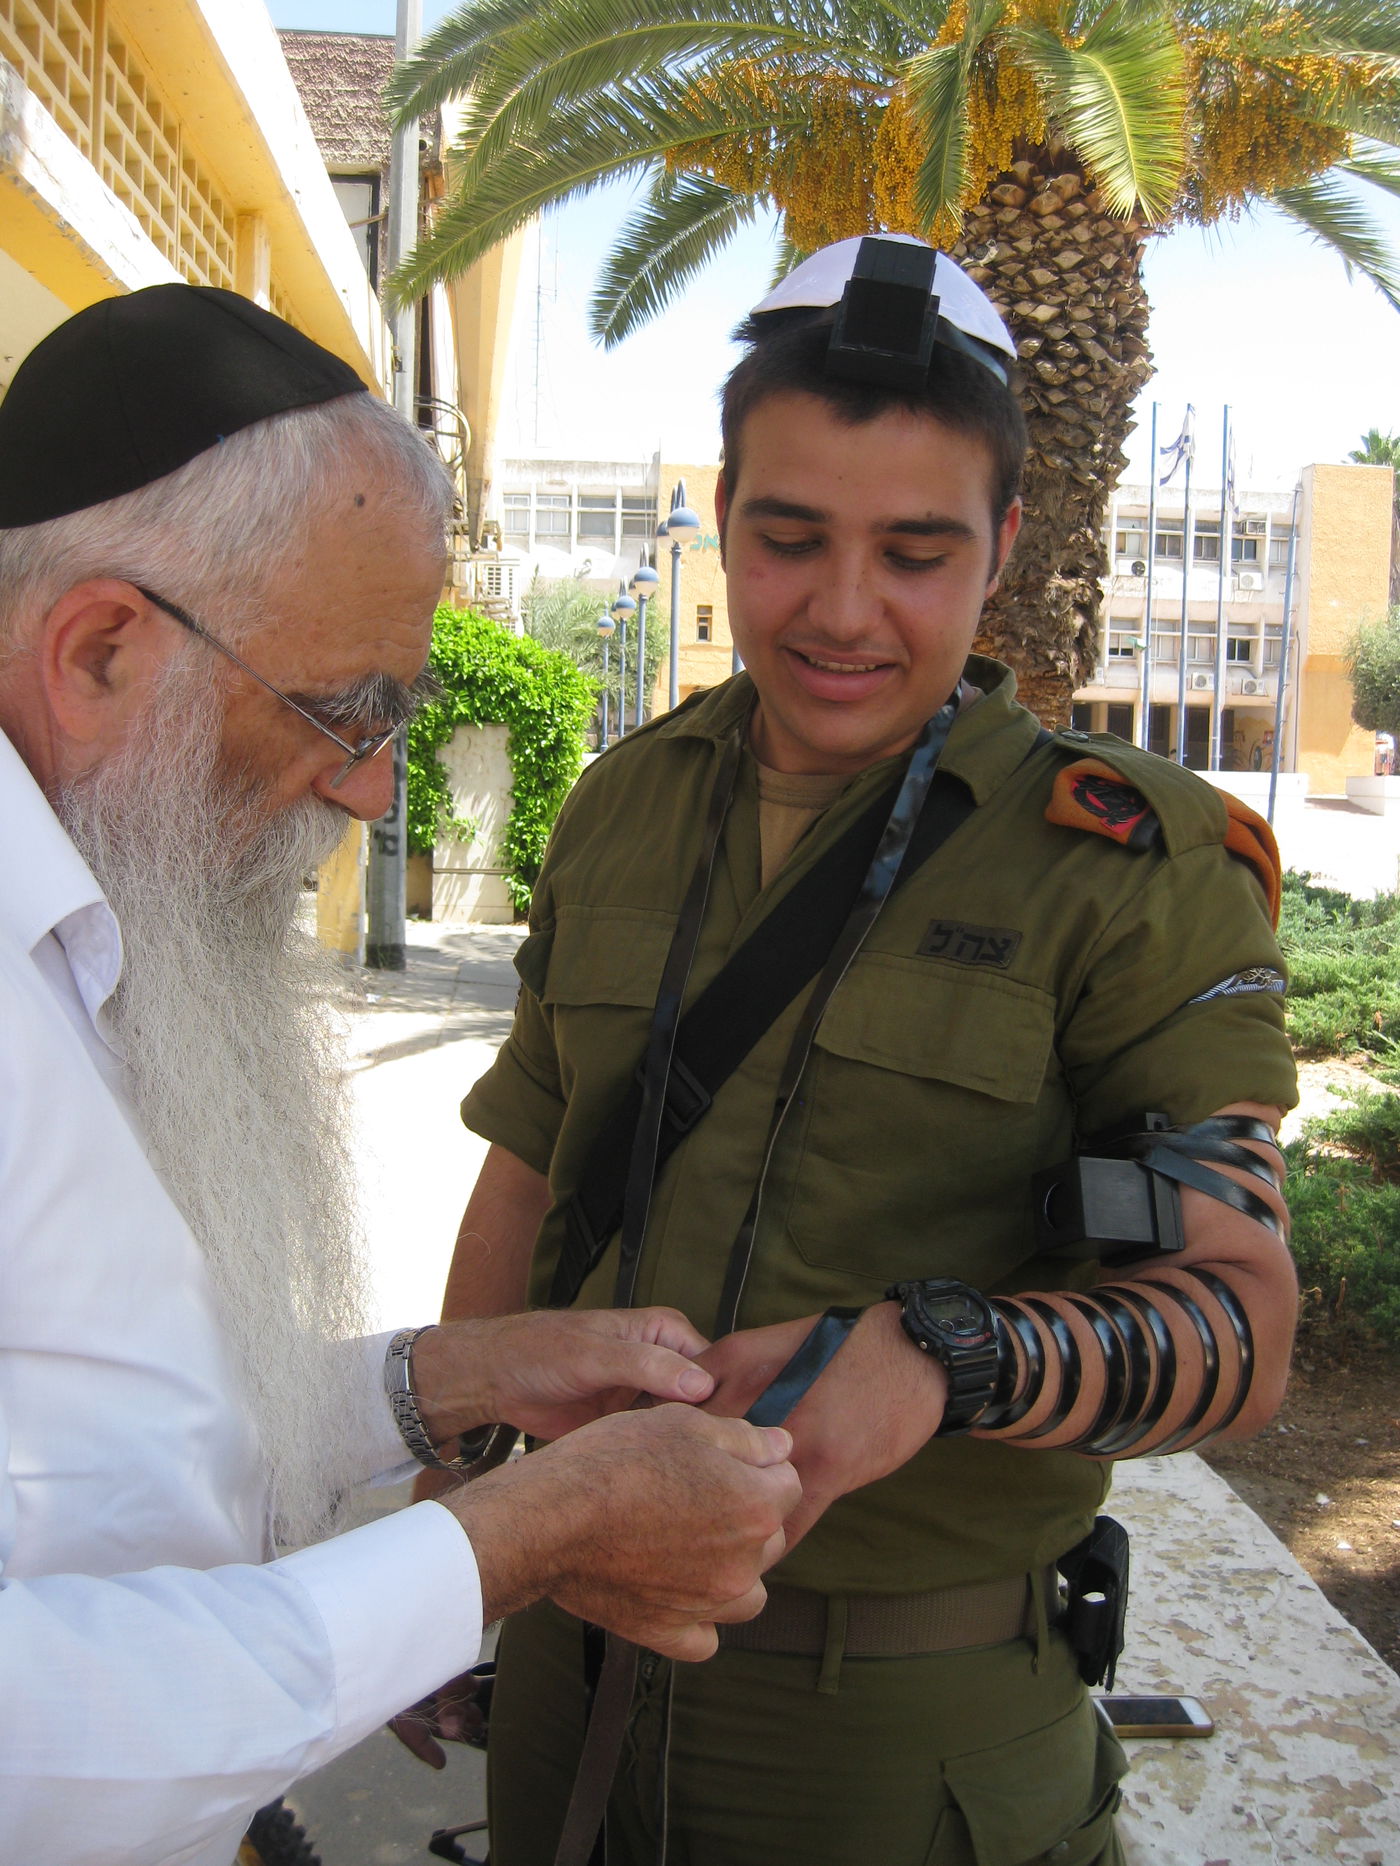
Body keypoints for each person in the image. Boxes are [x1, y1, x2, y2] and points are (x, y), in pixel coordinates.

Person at [439, 236, 1299, 1866]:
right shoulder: (626, 807)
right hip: (563, 1655)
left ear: (1007, 547)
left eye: (915, 550)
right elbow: (531, 1177)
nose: (842, 611)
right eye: (788, 538)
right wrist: (454, 1526)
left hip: (905, 1733)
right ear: (719, 509)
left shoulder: (1130, 870)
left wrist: (945, 1352)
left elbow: (1238, 1328)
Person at [0, 285, 804, 1866]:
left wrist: (449, 1378)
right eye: (341, 708)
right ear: (97, 650)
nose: (374, 786)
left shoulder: (94, 907)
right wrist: (516, 1538)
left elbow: (100, 1421)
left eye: (399, 712)